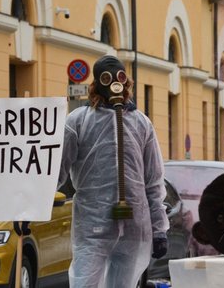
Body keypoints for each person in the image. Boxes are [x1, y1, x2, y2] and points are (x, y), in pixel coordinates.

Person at [58, 55, 169, 287]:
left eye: (119, 77)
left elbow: (153, 181)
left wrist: (159, 229)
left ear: (126, 81)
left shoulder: (141, 123)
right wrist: (30, 207)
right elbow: (56, 170)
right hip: (92, 227)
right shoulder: (78, 121)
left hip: (133, 227)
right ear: (97, 83)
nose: (115, 84)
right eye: (107, 78)